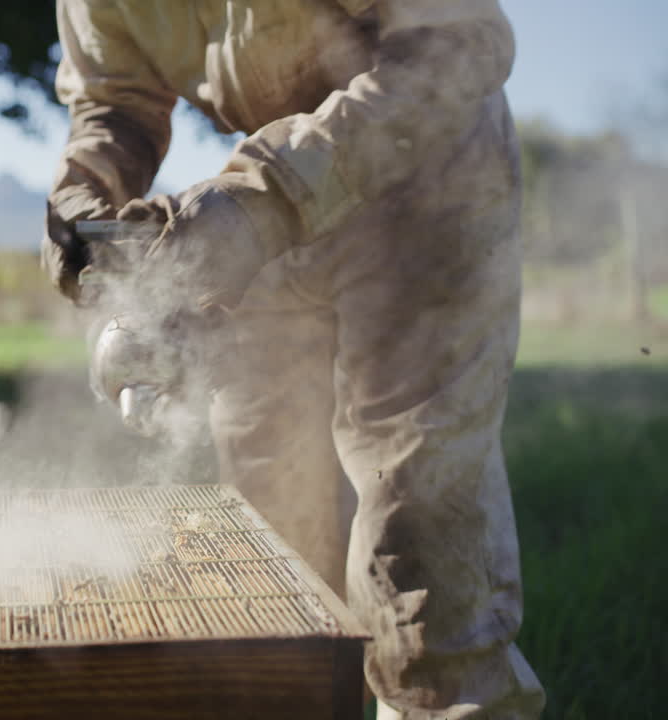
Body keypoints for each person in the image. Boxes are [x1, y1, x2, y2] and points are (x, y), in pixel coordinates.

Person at [41, 1, 546, 717]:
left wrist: (264, 198)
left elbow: (462, 41)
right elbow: (115, 101)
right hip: (258, 199)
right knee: (273, 521)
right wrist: (83, 193)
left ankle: (444, 699)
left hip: (427, 173)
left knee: (415, 518)